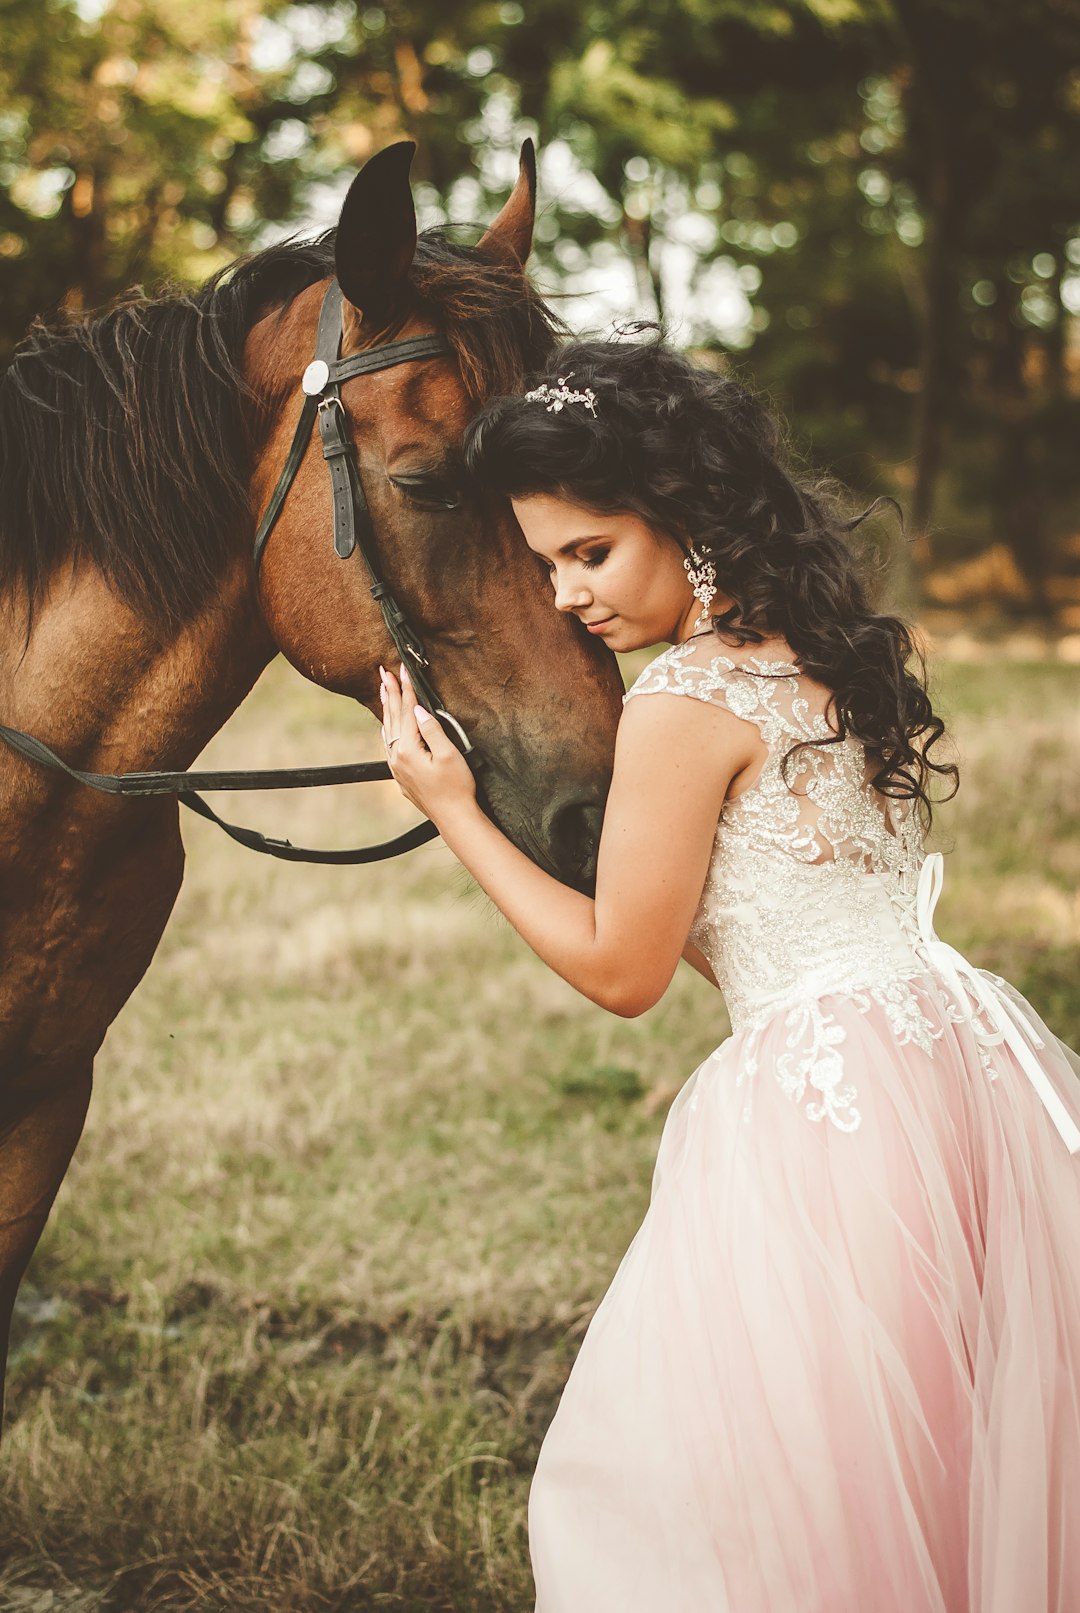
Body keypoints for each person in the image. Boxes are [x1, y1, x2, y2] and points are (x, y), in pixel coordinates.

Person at [377, 329, 1080, 1613]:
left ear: (684, 515)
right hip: (959, 1060)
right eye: (545, 565)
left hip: (824, 1120)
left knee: (747, 1479)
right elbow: (773, 918)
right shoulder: (837, 649)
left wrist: (452, 807)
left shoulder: (683, 699)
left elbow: (620, 971)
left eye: (591, 552)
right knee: (953, 1432)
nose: (565, 596)